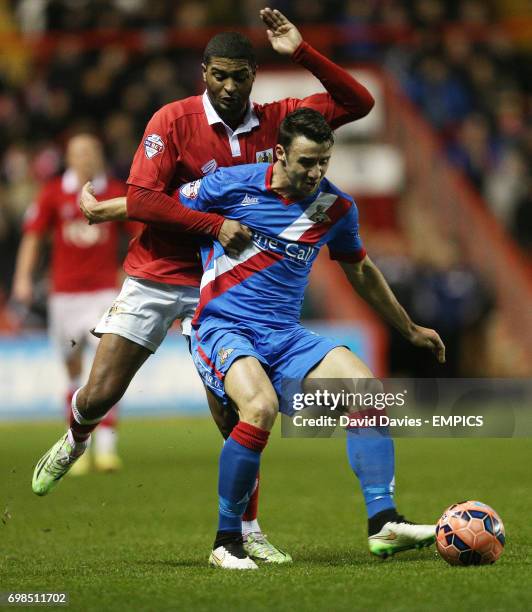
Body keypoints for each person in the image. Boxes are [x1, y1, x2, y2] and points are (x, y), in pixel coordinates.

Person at [30, 8, 375, 565]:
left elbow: (359, 102)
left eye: (241, 76)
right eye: (221, 75)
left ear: (254, 76)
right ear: (204, 72)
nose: (232, 86)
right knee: (100, 393)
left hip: (227, 288)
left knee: (241, 414)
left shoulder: (279, 123)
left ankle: (248, 529)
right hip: (159, 273)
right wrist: (215, 226)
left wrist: (304, 52)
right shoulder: (172, 120)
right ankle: (76, 436)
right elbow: (144, 200)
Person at [178, 109, 446, 569]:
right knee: (258, 409)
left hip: (286, 336)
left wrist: (408, 327)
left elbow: (359, 268)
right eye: (306, 162)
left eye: (324, 161)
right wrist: (109, 211)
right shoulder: (229, 184)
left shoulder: (333, 207)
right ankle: (227, 542)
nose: (315, 172)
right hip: (224, 326)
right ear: (280, 153)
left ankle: (382, 521)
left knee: (367, 391)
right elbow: (158, 204)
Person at [13, 134, 137, 473]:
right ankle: (76, 446)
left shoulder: (113, 191)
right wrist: (22, 279)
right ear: (68, 157)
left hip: (102, 294)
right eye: (78, 153)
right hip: (64, 296)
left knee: (106, 371)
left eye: (91, 152)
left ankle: (107, 450)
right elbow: (33, 236)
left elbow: (139, 233)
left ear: (99, 156)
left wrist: (128, 271)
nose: (85, 158)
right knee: (73, 372)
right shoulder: (53, 192)